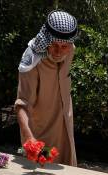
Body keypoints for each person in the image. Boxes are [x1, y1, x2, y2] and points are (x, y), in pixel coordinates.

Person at [14, 10, 79, 166]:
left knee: (69, 170)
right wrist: (30, 139)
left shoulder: (71, 51)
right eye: (54, 45)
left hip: (65, 124)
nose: (58, 52)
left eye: (64, 47)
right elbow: (21, 104)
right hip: (40, 129)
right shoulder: (31, 60)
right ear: (47, 41)